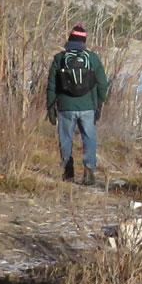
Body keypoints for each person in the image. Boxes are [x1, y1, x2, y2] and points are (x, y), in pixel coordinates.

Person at [46, 23, 108, 186]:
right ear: (84, 41)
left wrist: (50, 106)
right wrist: (100, 103)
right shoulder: (92, 58)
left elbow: (52, 85)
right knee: (89, 138)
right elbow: (102, 83)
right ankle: (89, 172)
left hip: (65, 106)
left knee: (65, 138)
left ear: (70, 39)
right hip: (88, 106)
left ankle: (68, 171)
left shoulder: (60, 58)